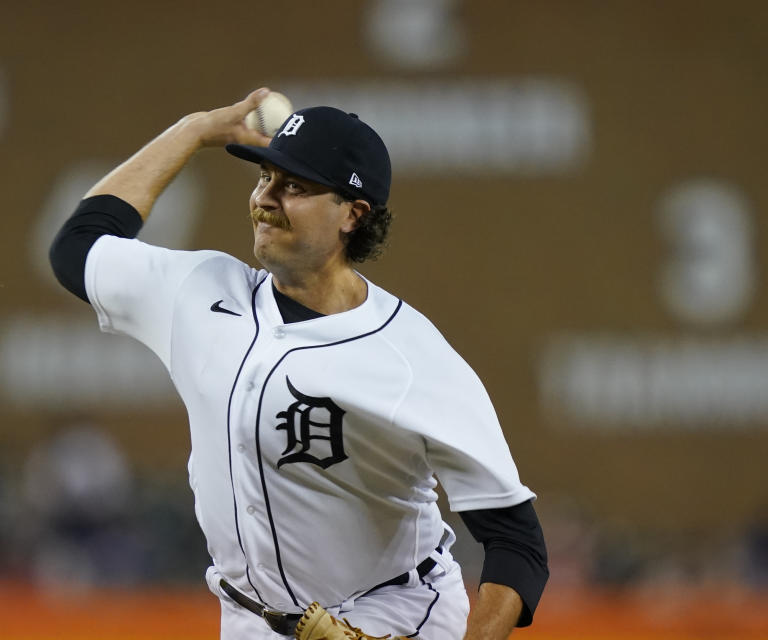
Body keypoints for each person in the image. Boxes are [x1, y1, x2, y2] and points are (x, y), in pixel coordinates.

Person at [49, 88, 548, 639]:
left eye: (295, 186)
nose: (266, 197)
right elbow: (78, 246)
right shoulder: (200, 291)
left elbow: (516, 544)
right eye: (265, 178)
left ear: (352, 215)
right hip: (247, 620)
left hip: (391, 616)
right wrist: (194, 130)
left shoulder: (410, 357)